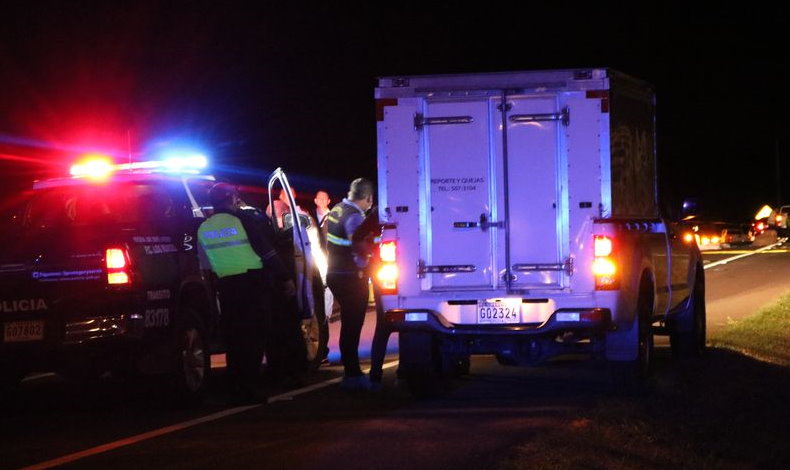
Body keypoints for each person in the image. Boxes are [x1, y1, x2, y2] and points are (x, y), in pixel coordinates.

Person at [197, 183, 295, 404]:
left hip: (226, 288)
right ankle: (249, 388)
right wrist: (284, 277)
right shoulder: (243, 220)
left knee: (234, 338)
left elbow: (204, 266)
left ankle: (235, 387)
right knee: (255, 337)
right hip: (253, 284)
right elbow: (267, 252)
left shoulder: (204, 227)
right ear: (231, 198)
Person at [325, 177, 375, 389]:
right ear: (368, 198)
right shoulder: (355, 217)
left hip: (335, 273)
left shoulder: (337, 208)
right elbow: (359, 246)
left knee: (348, 322)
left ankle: (350, 368)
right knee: (353, 325)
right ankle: (353, 372)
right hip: (350, 275)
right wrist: (369, 261)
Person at [351, 206, 391, 391]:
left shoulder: (380, 210)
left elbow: (358, 238)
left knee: (385, 325)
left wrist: (370, 255)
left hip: (387, 272)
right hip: (388, 273)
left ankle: (377, 377)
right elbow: (358, 238)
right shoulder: (379, 212)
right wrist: (372, 254)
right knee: (386, 324)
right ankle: (377, 376)